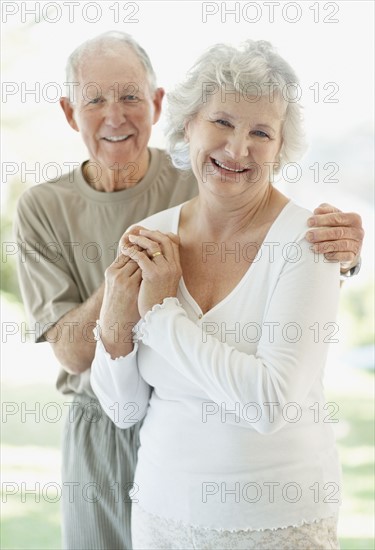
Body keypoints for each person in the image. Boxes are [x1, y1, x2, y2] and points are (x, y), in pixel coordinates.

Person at [14, 32, 363, 550]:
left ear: (281, 147)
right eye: (222, 122)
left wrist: (158, 315)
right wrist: (115, 315)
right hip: (162, 513)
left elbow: (269, 403)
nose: (237, 148)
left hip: (273, 520)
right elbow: (124, 406)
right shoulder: (144, 229)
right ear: (188, 126)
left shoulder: (305, 239)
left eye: (261, 132)